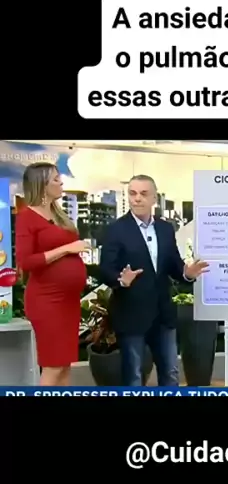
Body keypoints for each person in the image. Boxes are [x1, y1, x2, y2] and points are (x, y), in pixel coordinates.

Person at [99, 174, 209, 386]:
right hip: (131, 315)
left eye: (143, 193)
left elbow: (173, 265)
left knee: (170, 374)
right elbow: (105, 269)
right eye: (132, 193)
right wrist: (121, 280)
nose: (137, 198)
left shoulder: (165, 228)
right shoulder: (116, 230)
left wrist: (187, 274)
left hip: (163, 316)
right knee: (133, 377)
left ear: (154, 198)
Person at [15, 162, 90, 386]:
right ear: (42, 184)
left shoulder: (59, 215)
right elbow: (27, 261)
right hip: (47, 301)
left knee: (65, 365)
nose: (61, 183)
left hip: (68, 302)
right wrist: (67, 249)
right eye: (56, 179)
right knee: (53, 366)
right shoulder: (27, 217)